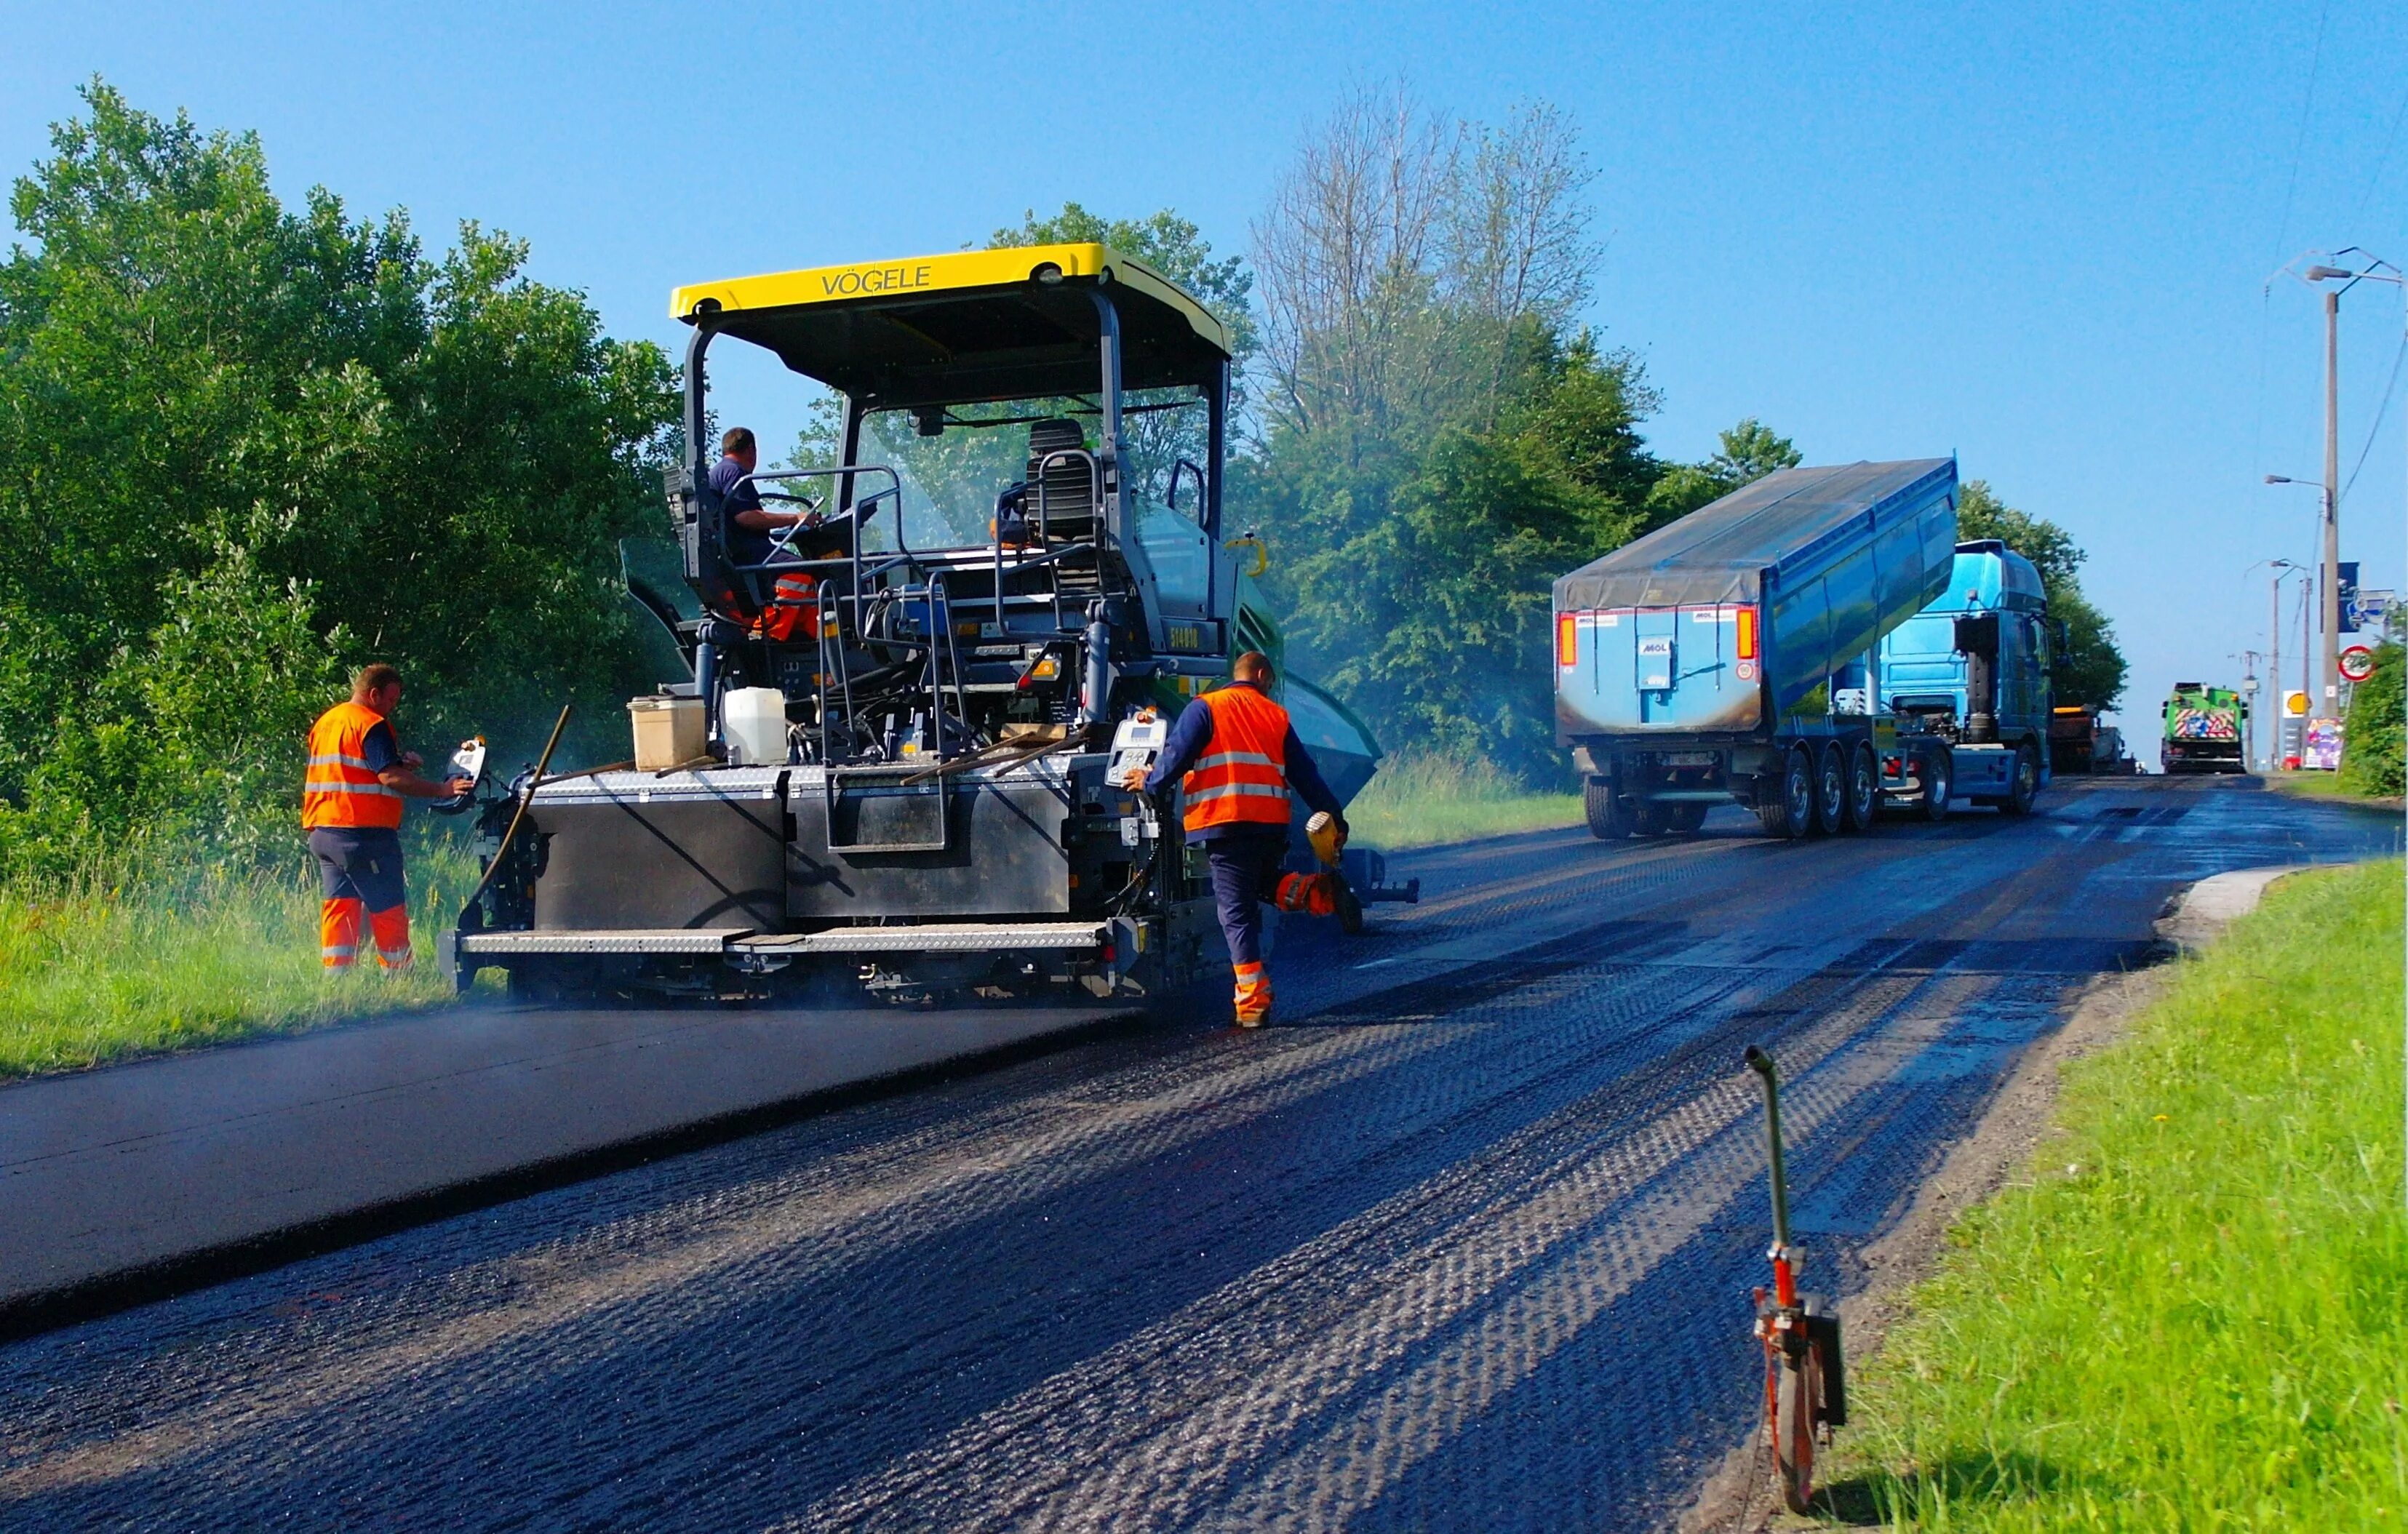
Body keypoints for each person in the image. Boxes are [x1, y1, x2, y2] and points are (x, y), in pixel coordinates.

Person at [1117, 652, 1346, 1028]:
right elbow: (1306, 774)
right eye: (1270, 683)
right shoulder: (1276, 717)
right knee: (1258, 883)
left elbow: (1177, 754)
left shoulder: (1205, 707)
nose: (1270, 690)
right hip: (1269, 825)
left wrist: (1151, 781)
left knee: (1235, 911)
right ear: (1259, 675)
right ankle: (1306, 891)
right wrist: (1335, 816)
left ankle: (1253, 1002)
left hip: (1225, 823)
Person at [303, 665, 472, 972]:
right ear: (374, 694)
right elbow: (388, 777)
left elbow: (350, 771)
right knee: (388, 907)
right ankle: (399, 975)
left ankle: (337, 977)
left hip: (325, 832)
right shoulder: (372, 724)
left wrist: (401, 764)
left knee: (341, 905)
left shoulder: (327, 722)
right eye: (391, 700)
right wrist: (442, 789)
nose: (392, 707)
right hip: (363, 835)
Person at [710, 426, 824, 639]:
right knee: (800, 571)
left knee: (810, 579)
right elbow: (746, 517)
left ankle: (814, 637)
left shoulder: (720, 471)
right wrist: (796, 518)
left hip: (739, 550)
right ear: (752, 450)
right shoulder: (734, 472)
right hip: (748, 551)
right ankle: (768, 632)